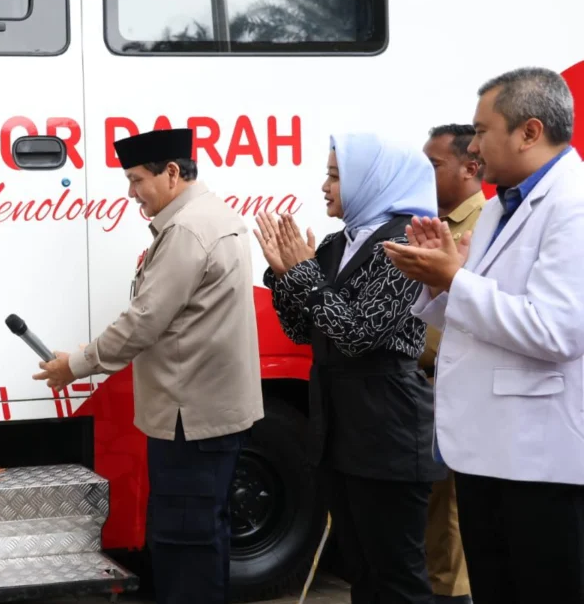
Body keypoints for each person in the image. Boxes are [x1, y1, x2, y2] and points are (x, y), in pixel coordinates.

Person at [32, 128, 264, 604]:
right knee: (204, 536)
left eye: (137, 180)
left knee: (184, 542)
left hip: (191, 418)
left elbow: (144, 322)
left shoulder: (186, 229)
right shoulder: (213, 214)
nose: (131, 192)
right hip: (208, 413)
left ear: (173, 173)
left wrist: (74, 365)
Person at [385, 67, 584, 604]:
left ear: (529, 131)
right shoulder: (502, 203)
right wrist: (438, 283)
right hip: (488, 452)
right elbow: (484, 317)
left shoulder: (573, 205)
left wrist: (454, 279)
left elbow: (556, 331)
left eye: (482, 129)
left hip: (538, 462)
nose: (473, 147)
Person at [254, 133, 443, 604]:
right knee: (360, 571)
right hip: (340, 430)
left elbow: (359, 332)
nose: (324, 186)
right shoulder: (340, 243)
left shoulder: (406, 241)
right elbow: (304, 328)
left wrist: (302, 276)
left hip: (388, 429)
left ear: (372, 182)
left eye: (336, 176)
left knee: (397, 575)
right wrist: (284, 277)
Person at [418, 124, 484, 604]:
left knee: (452, 526)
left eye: (435, 164)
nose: (425, 173)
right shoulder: (431, 224)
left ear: (471, 167)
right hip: (424, 388)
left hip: (458, 388)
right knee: (431, 518)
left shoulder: (481, 228)